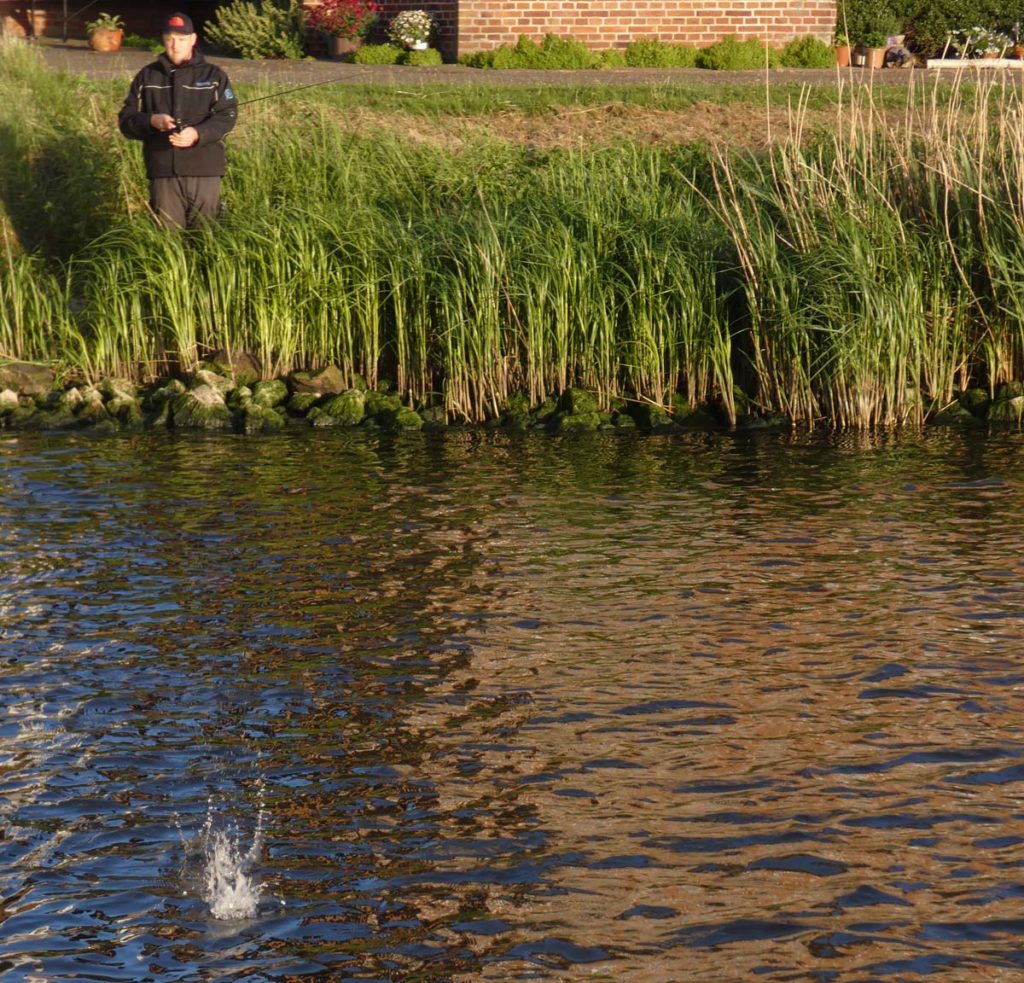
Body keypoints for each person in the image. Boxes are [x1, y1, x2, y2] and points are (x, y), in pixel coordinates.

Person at [118, 12, 237, 228]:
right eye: (170, 38)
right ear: (163, 40)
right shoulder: (147, 76)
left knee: (208, 239)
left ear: (193, 39)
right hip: (162, 171)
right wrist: (152, 121)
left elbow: (227, 115)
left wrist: (197, 134)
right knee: (167, 241)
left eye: (181, 39)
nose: (175, 45)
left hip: (205, 169)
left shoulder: (214, 76)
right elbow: (126, 120)